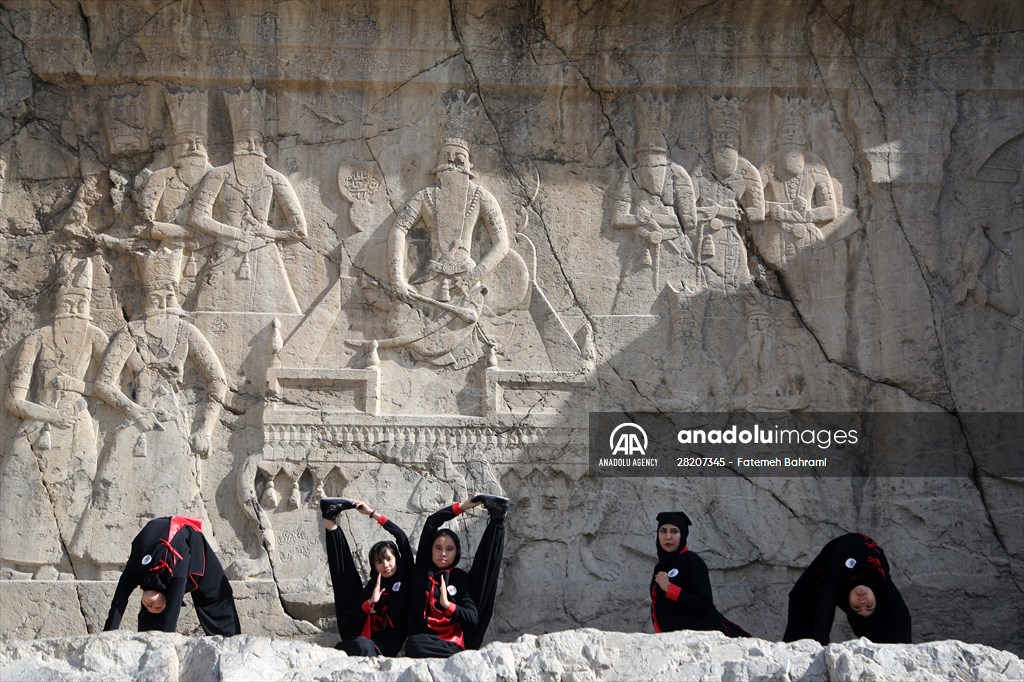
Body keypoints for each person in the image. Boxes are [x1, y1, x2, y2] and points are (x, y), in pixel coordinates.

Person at [405, 494, 510, 658]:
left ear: (457, 552)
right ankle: (456, 655)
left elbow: (472, 617)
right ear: (431, 550)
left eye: (449, 549)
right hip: (425, 640)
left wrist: (448, 605)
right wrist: (464, 506)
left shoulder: (460, 578)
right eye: (438, 548)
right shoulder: (423, 572)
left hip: (453, 641)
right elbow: (432, 522)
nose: (443, 553)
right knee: (413, 644)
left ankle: (497, 518)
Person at [103, 516, 240, 635]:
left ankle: (231, 641)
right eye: (150, 606)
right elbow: (118, 602)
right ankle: (149, 639)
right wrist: (107, 635)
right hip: (156, 533)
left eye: (150, 606)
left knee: (216, 595)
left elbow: (172, 611)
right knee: (152, 623)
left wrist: (167, 639)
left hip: (183, 534)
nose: (150, 606)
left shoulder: (175, 575)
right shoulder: (134, 574)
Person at [319, 497, 414, 656]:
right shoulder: (374, 584)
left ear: (397, 559)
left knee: (361, 646)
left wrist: (371, 513)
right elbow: (348, 617)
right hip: (359, 636)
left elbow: (401, 537)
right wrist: (369, 603)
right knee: (346, 581)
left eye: (389, 559)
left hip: (382, 648)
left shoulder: (407, 577)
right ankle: (330, 520)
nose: (385, 565)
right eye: (379, 562)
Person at [783, 532, 911, 645]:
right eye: (869, 606)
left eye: (857, 607)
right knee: (803, 597)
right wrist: (905, 648)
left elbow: (826, 606)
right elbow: (901, 614)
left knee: (804, 597)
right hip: (863, 548)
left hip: (831, 561)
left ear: (849, 604)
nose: (862, 602)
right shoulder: (880, 579)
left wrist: (821, 643)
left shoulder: (838, 580)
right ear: (876, 599)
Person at [650, 511, 749, 637]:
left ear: (683, 535)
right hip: (677, 644)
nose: (668, 536)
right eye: (663, 531)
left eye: (674, 531)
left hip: (709, 641)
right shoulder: (660, 567)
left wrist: (671, 589)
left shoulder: (692, 561)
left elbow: (705, 605)